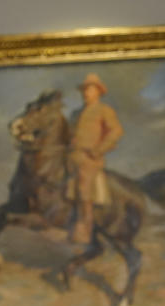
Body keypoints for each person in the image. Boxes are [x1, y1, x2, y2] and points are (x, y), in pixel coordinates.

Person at [67, 72, 124, 244]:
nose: (86, 93)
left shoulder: (104, 110)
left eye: (90, 90)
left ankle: (85, 226)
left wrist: (100, 149)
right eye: (84, 90)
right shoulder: (76, 113)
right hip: (72, 156)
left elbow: (116, 131)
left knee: (84, 187)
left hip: (90, 159)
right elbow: (70, 133)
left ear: (98, 92)